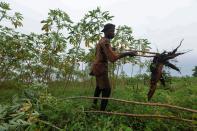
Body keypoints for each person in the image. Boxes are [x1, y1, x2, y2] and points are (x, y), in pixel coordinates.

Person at [90, 23, 137, 111]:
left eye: (113, 31)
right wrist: (128, 53)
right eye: (112, 31)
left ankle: (93, 105)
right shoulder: (106, 41)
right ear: (106, 32)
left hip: (96, 67)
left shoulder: (101, 40)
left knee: (99, 87)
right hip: (101, 68)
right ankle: (101, 112)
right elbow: (113, 58)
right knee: (107, 90)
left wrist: (112, 49)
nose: (113, 33)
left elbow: (102, 52)